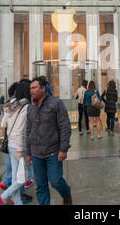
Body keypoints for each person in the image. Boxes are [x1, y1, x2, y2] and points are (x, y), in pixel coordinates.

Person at [25, 77, 73, 205]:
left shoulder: (56, 103)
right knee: (41, 186)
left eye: (34, 88)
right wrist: (28, 153)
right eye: (30, 88)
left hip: (53, 152)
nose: (31, 91)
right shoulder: (30, 108)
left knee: (56, 181)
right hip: (36, 154)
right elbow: (28, 131)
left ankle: (66, 193)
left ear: (43, 88)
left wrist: (63, 149)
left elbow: (65, 127)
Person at [0, 81, 32, 205]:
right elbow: (22, 129)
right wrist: (21, 149)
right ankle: (5, 195)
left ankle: (18, 203)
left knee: (16, 177)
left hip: (11, 144)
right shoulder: (26, 106)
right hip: (19, 146)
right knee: (28, 174)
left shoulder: (10, 104)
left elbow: (3, 124)